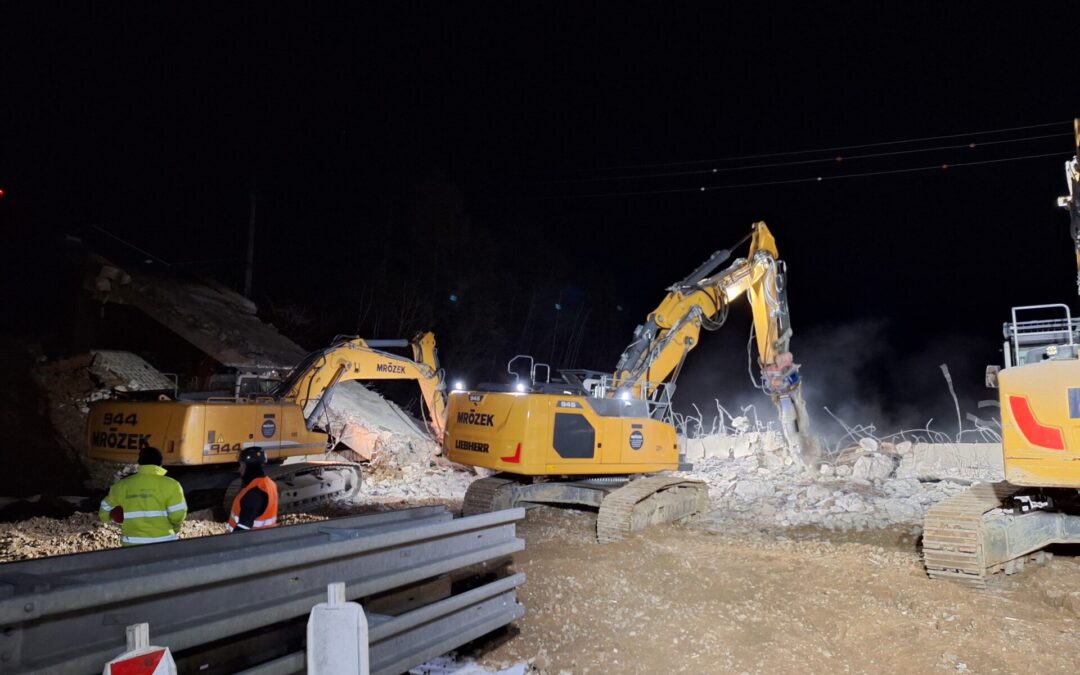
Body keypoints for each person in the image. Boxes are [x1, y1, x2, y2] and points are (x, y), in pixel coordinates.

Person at [99, 446, 187, 546]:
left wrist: (112, 522)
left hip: (132, 544)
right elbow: (178, 514)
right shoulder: (172, 485)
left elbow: (104, 509)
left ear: (139, 462)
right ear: (160, 464)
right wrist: (175, 529)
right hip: (164, 542)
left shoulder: (122, 485)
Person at [226, 446, 279, 532]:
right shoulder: (269, 484)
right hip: (264, 539)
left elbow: (242, 530)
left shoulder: (255, 493)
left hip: (252, 542)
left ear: (249, 467)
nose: (239, 470)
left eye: (242, 465)